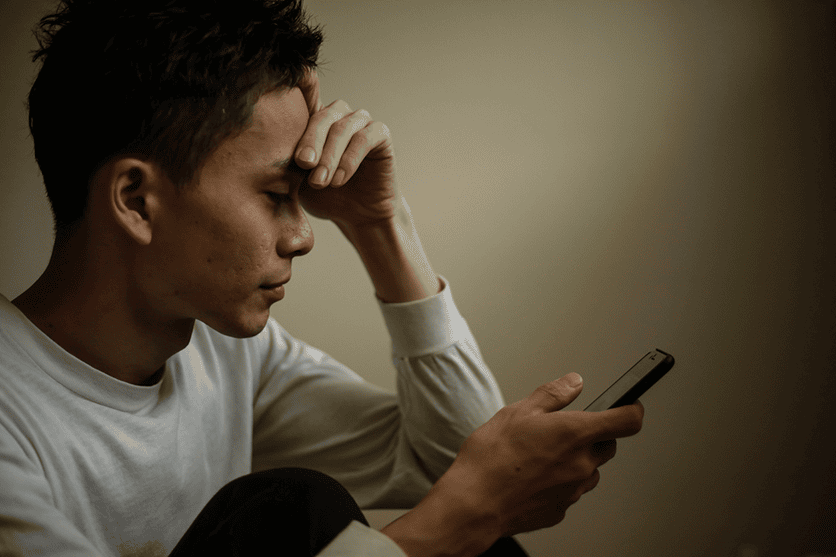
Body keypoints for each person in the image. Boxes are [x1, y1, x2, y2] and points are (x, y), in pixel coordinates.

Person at [0, 0, 645, 555]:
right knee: (292, 506)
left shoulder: (226, 354)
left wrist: (378, 222)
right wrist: (450, 525)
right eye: (277, 194)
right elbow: (467, 503)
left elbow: (456, 462)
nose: (304, 236)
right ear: (137, 201)